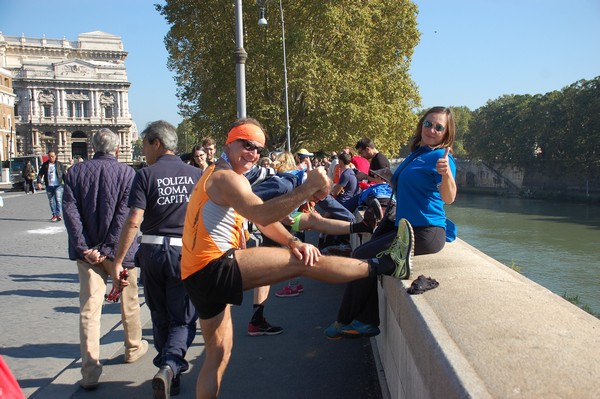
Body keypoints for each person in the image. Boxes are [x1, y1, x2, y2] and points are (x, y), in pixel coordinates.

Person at [180, 117, 411, 398]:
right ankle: (385, 264)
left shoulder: (224, 175)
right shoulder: (225, 178)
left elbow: (262, 221)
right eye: (247, 145)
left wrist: (291, 240)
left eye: (258, 149)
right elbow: (264, 214)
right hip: (214, 265)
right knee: (306, 263)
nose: (253, 153)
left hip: (195, 274)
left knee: (219, 353)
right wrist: (308, 187)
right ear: (230, 142)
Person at [325, 106, 458, 340]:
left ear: (446, 133)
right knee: (362, 253)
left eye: (439, 127)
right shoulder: (418, 153)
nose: (432, 130)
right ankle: (360, 320)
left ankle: (353, 321)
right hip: (405, 226)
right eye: (428, 124)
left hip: (426, 232)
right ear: (421, 126)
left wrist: (446, 175)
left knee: (362, 258)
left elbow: (449, 198)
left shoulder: (441, 158)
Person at [111, 120, 201, 399]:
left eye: (145, 144)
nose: (144, 150)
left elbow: (134, 220)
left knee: (160, 315)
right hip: (183, 253)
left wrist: (118, 261)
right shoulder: (196, 175)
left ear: (157, 143)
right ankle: (171, 365)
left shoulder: (146, 175)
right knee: (183, 318)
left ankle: (167, 367)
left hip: (151, 252)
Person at [62, 128, 148, 390]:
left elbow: (70, 211)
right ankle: (133, 347)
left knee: (89, 309)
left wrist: (85, 246)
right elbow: (126, 215)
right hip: (120, 251)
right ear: (118, 149)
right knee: (129, 301)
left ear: (92, 148)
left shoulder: (75, 172)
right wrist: (109, 247)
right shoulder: (127, 174)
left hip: (87, 254)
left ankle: (89, 371)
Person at [37, 150, 65, 222]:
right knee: (51, 201)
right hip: (49, 185)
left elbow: (64, 175)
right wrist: (39, 182)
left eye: (52, 156)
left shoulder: (59, 164)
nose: (51, 158)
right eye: (49, 156)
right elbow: (40, 174)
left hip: (58, 185)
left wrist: (67, 184)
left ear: (55, 156)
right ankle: (54, 215)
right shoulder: (45, 165)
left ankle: (58, 214)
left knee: (58, 200)